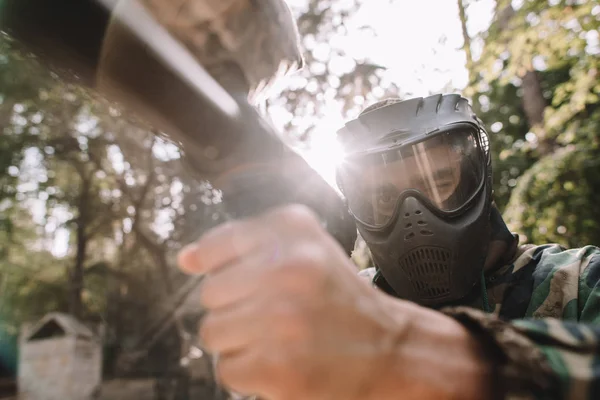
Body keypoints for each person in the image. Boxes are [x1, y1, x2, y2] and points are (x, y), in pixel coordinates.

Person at [177, 94, 600, 400]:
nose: (414, 217)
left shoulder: (580, 280)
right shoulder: (329, 318)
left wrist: (407, 351)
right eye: (383, 198)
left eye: (439, 182)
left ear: (477, 179)